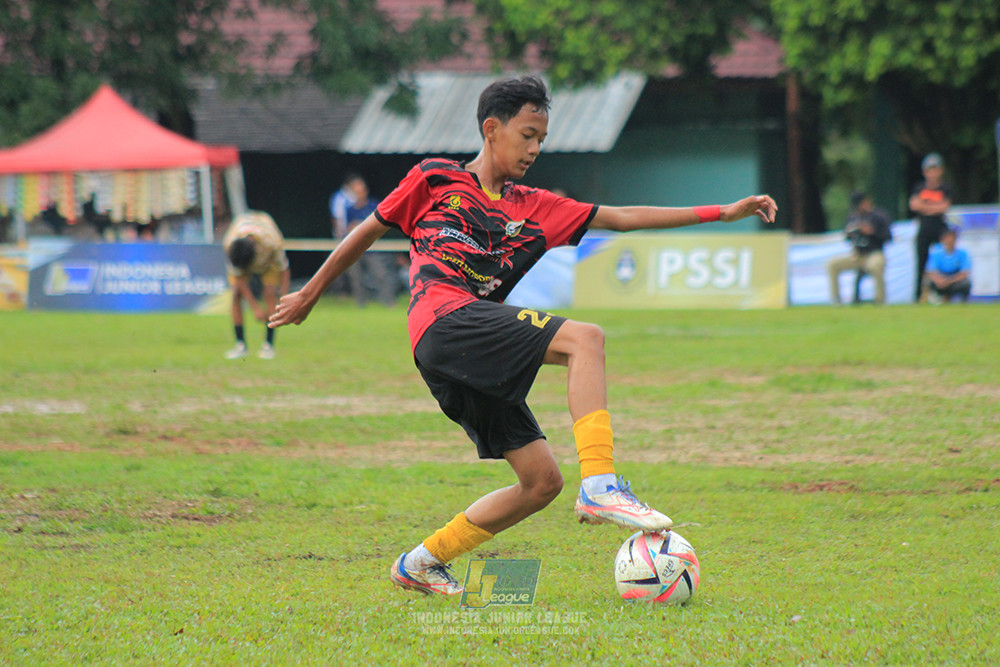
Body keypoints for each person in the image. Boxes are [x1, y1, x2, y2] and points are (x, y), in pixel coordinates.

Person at [269, 75, 777, 596]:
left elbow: (623, 217)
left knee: (541, 482)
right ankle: (601, 484)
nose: (535, 149)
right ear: (492, 129)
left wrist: (723, 212)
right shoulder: (434, 177)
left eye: (542, 139)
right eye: (527, 135)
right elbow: (368, 230)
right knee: (586, 339)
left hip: (461, 349)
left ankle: (420, 562)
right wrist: (310, 292)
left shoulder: (535, 206)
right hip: (441, 320)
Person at [222, 211, 290, 360]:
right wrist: (255, 308)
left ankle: (268, 345)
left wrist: (284, 299)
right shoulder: (231, 244)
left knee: (270, 293)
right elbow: (238, 277)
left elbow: (284, 269)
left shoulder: (272, 242)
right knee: (235, 294)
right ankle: (240, 345)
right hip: (245, 252)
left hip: (268, 262)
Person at [826, 191, 893, 305]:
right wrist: (850, 233)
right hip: (857, 254)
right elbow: (847, 237)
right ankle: (836, 300)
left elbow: (888, 237)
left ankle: (880, 300)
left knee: (875, 266)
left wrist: (871, 232)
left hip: (874, 253)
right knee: (832, 264)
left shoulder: (879, 216)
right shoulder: (853, 217)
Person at [342, 176, 396, 307]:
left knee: (381, 274)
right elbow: (348, 228)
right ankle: (361, 304)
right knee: (356, 278)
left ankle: (388, 302)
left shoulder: (373, 205)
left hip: (373, 247)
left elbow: (379, 224)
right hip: (356, 248)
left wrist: (361, 226)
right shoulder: (350, 209)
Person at [909, 153, 952, 302]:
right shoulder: (919, 187)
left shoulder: (945, 188)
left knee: (943, 260)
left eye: (935, 169)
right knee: (921, 262)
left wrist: (925, 206)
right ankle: (918, 296)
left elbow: (944, 206)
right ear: (925, 172)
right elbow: (914, 205)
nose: (932, 173)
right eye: (929, 170)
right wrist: (934, 207)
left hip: (940, 229)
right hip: (924, 229)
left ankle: (943, 293)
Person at [924, 226, 972, 303]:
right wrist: (939, 280)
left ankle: (963, 302)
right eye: (947, 238)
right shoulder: (936, 253)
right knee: (928, 282)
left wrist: (949, 281)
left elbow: (964, 273)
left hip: (954, 279)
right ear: (942, 240)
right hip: (941, 278)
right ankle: (933, 301)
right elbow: (931, 271)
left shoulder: (963, 253)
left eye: (951, 238)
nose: (949, 241)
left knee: (966, 283)